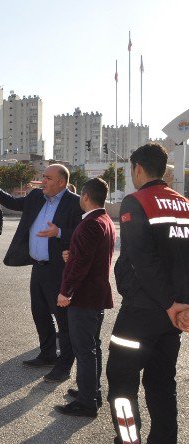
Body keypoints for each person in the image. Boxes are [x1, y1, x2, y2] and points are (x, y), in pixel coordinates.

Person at [106, 143, 189, 444]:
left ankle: (128, 441)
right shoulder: (184, 204)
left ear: (137, 169)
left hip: (143, 312)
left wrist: (168, 304)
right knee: (162, 383)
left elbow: (142, 259)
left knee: (121, 381)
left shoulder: (135, 201)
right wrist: (182, 305)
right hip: (174, 315)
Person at [0, 165, 82, 382]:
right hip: (38, 267)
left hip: (58, 270)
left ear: (62, 182)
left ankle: (64, 365)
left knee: (62, 319)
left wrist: (59, 232)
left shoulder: (74, 203)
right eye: (43, 177)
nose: (43, 181)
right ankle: (48, 353)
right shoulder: (36, 197)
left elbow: (83, 232)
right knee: (39, 312)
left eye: (48, 178)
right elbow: (13, 203)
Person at [54, 178, 115, 418]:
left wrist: (65, 292)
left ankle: (87, 402)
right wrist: (74, 253)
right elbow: (89, 255)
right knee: (92, 347)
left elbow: (81, 264)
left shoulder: (90, 223)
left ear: (86, 197)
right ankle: (92, 391)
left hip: (84, 297)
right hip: (95, 295)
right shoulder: (105, 220)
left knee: (84, 349)